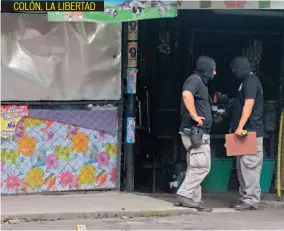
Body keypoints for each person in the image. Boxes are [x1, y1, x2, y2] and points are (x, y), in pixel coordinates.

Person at [176, 56, 216, 212]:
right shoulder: (195, 80)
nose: (215, 73)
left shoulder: (199, 81)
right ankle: (185, 194)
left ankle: (193, 199)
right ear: (206, 68)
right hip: (195, 131)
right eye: (213, 69)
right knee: (202, 166)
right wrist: (194, 115)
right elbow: (187, 94)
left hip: (197, 131)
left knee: (195, 165)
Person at [230, 56, 264, 211]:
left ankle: (251, 199)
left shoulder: (251, 82)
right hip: (243, 132)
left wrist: (239, 126)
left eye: (234, 69)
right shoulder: (245, 82)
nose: (233, 72)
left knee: (249, 166)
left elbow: (249, 104)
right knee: (242, 166)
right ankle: (245, 197)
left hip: (249, 132)